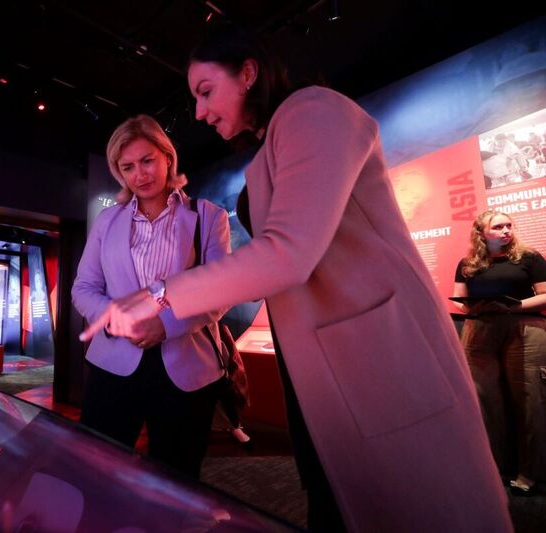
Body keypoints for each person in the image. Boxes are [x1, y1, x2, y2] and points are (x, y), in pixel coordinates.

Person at [80, 26, 511, 531]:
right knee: (341, 502)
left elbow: (287, 252)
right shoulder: (271, 143)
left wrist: (158, 298)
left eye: (205, 91)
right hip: (322, 363)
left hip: (375, 356)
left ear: (247, 73)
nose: (198, 112)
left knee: (428, 506)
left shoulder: (314, 110)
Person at [72, 114, 231, 479]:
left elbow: (221, 290)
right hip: (113, 364)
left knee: (176, 478)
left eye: (147, 161)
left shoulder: (208, 217)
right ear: (118, 172)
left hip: (187, 368)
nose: (139, 175)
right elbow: (83, 289)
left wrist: (165, 325)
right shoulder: (107, 222)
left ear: (167, 158)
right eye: (127, 167)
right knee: (95, 470)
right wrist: (119, 319)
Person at [453, 210, 546, 497]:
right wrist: (473, 307)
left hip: (524, 328)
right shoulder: (468, 264)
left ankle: (530, 474)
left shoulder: (528, 257)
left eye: (509, 225)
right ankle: (495, 470)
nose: (506, 230)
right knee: (484, 401)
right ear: (482, 233)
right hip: (480, 329)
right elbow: (459, 301)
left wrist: (515, 306)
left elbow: (545, 293)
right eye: (498, 227)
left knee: (531, 399)